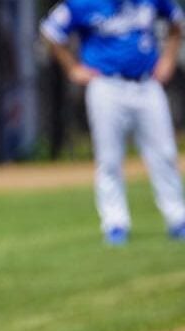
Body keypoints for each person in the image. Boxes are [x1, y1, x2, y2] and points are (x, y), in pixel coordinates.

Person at [42, 0, 185, 245]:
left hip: (146, 82)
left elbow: (177, 21)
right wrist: (72, 68)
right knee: (109, 158)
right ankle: (115, 223)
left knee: (164, 153)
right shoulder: (82, 4)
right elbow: (50, 31)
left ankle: (178, 218)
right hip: (106, 85)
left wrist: (169, 59)